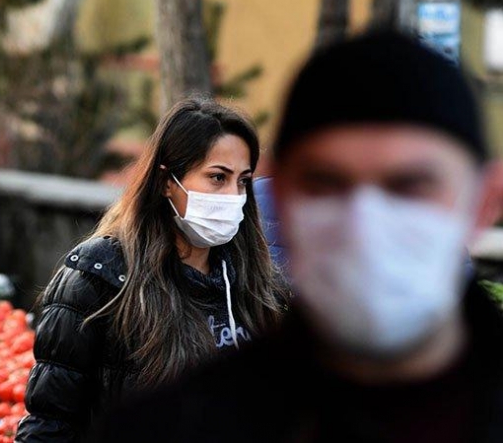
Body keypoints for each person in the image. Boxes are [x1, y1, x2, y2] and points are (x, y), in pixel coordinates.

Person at [95, 31, 503, 442]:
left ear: (485, 203)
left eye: (410, 187)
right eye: (327, 185)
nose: (364, 227)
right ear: (281, 200)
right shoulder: (172, 426)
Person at [16, 97, 287, 442]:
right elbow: (49, 425)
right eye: (217, 178)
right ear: (166, 181)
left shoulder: (255, 279)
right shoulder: (99, 277)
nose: (233, 195)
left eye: (243, 181)